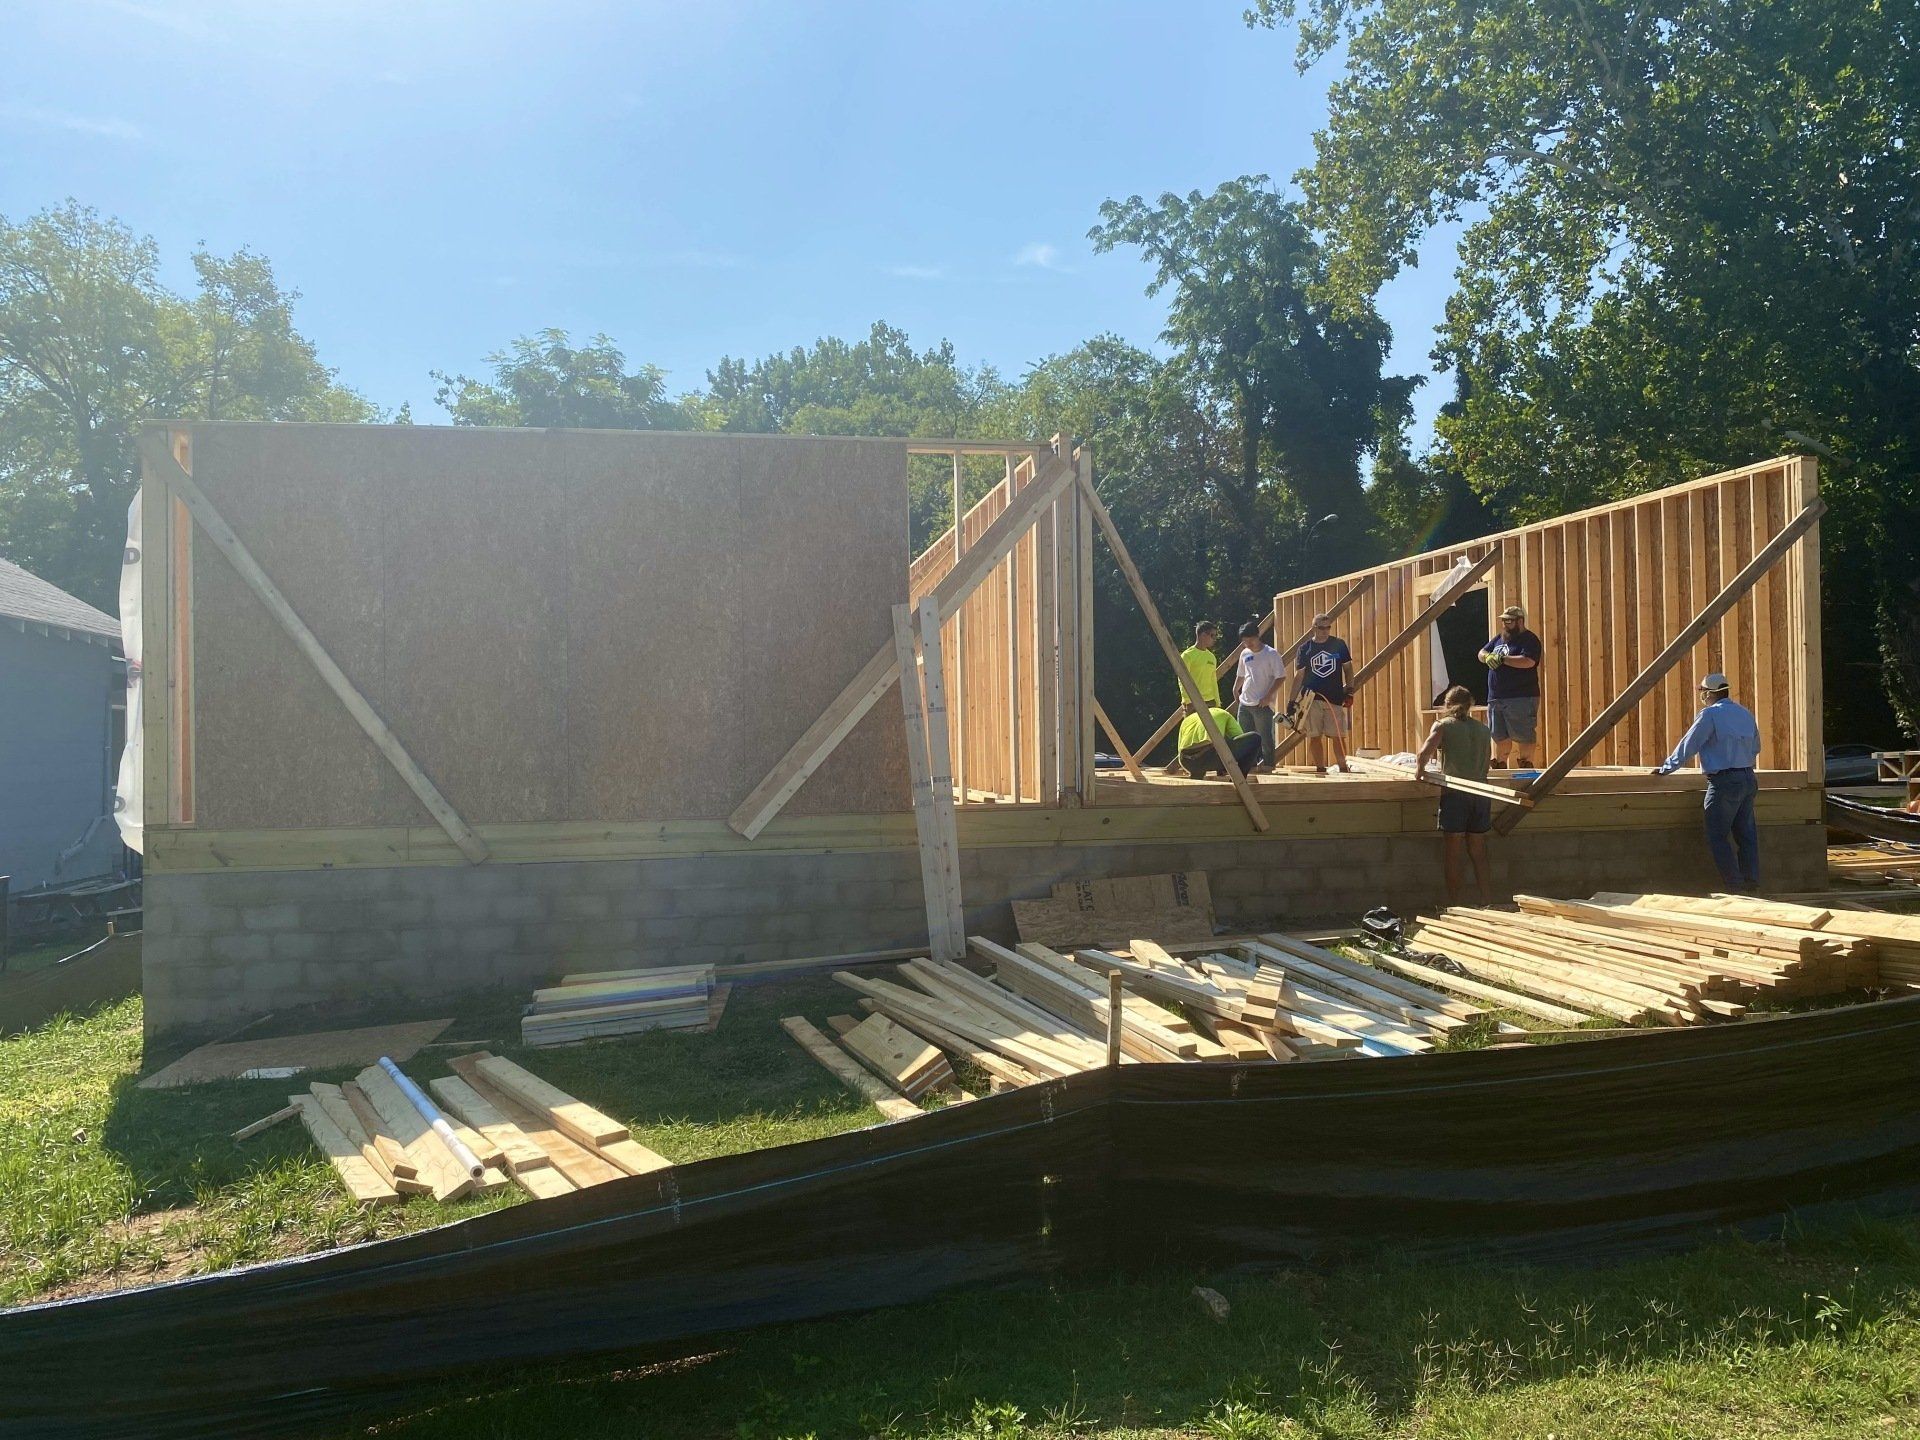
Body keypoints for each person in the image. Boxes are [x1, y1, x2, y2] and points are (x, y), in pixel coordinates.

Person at [1653, 672, 1763, 892]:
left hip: (1724, 782)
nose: (1701, 695)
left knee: (1717, 835)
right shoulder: (1744, 713)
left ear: (1710, 693)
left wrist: (1666, 769)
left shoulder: (1709, 715)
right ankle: (1751, 881)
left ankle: (1735, 885)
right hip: (1748, 779)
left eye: (1702, 691)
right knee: (1746, 833)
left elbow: (1689, 745)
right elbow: (1756, 748)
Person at [1414, 684, 1494, 905]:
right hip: (1481, 792)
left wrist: (1419, 772)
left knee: (1453, 852)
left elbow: (1424, 753)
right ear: (1471, 706)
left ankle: (1454, 904)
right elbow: (1486, 762)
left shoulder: (1443, 725)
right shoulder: (1483, 729)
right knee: (1478, 851)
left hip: (1456, 793)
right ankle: (1487, 901)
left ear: (1447, 705)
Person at [1478, 604, 1544, 768]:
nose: (1505, 624)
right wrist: (1488, 657)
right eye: (1504, 621)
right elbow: (1481, 653)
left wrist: (1502, 659)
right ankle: (1500, 764)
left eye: (1509, 621)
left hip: (1521, 697)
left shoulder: (1529, 639)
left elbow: (1528, 662)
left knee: (1523, 734)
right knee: (1498, 735)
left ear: (1520, 621)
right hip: (1495, 697)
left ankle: (1525, 765)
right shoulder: (1499, 638)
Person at [1289, 613, 1354, 775]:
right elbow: (1299, 676)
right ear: (1314, 628)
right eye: (1321, 627)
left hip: (1335, 698)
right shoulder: (1305, 649)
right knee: (1314, 735)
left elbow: (1348, 669)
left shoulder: (1338, 645)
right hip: (1311, 699)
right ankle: (1320, 769)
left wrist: (1350, 691)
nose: (1325, 631)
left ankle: (1343, 768)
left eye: (1328, 627)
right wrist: (1292, 701)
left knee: (1338, 736)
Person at [1232, 620, 1286, 772]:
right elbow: (1241, 674)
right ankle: (1249, 766)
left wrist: (1268, 696)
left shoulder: (1271, 654)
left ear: (1257, 636)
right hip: (1245, 702)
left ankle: (1269, 766)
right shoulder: (1245, 653)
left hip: (1262, 703)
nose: (1247, 643)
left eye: (1250, 639)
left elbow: (1281, 677)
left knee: (1264, 738)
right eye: (1244, 641)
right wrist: (1235, 688)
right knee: (1244, 737)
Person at [1176, 704, 1263, 779]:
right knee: (1254, 738)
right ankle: (1239, 779)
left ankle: (1197, 778)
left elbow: (1181, 751)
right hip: (1209, 757)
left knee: (1210, 745)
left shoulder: (1187, 720)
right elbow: (1239, 740)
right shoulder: (1222, 713)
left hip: (1187, 762)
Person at [1179, 622, 1221, 708]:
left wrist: (1217, 702)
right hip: (1192, 702)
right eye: (1212, 635)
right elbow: (1182, 679)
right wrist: (1188, 701)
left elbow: (1213, 680)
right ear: (1203, 635)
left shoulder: (1211, 657)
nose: (1215, 639)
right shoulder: (1187, 655)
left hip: (1210, 701)